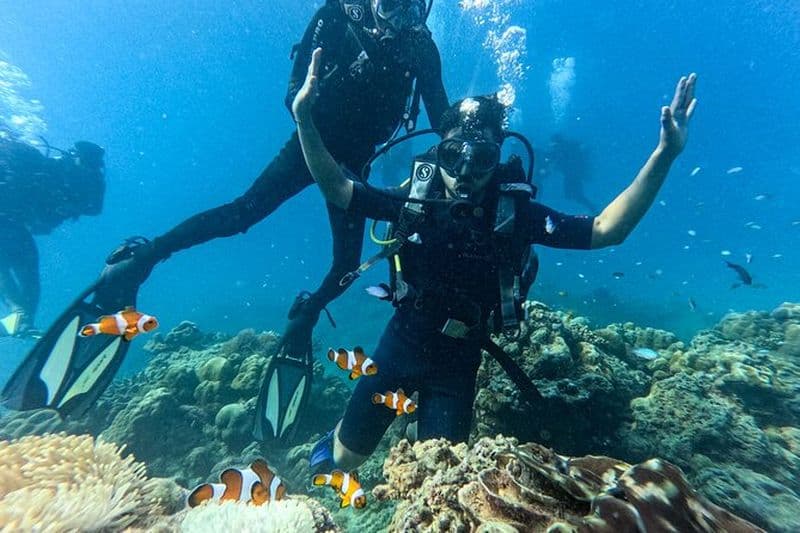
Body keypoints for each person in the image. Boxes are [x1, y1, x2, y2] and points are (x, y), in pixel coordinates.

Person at [6, 0, 449, 430]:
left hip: (354, 164)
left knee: (346, 267)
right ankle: (141, 260)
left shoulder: (421, 47)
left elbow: (442, 121)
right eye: (392, 5)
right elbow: (292, 93)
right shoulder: (335, 17)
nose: (402, 18)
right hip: (309, 143)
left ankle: (305, 316)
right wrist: (304, 107)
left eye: (413, 7)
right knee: (242, 214)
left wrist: (468, 138)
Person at [292, 48, 698, 470]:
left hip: (459, 357)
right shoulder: (415, 202)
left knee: (441, 476)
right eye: (453, 157)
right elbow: (338, 189)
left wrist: (664, 154)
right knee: (343, 459)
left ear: (497, 157)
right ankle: (361, 432)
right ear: (438, 154)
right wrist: (305, 120)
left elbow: (606, 229)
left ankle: (412, 425)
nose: (465, 172)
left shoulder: (514, 214)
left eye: (481, 158)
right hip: (403, 341)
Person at [0, 134, 105, 337]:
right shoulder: (45, 168)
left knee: (25, 264)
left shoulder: (84, 179)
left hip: (13, 222)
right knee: (13, 263)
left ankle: (22, 319)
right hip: (7, 219)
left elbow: (95, 208)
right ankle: (20, 316)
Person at [539, 133, 598, 213]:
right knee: (572, 195)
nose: (554, 147)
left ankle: (592, 208)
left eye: (554, 145)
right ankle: (590, 207)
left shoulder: (564, 148)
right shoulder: (567, 147)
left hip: (573, 175)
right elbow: (553, 157)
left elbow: (553, 157)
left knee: (575, 195)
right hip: (572, 174)